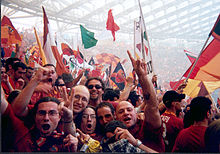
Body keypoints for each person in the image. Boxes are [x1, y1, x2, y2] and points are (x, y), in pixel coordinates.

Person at [113, 51, 165, 152]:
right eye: (121, 111)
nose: (126, 113)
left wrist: (142, 76)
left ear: (136, 113)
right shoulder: (114, 134)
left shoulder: (147, 128)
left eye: (129, 110)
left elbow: (152, 106)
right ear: (116, 117)